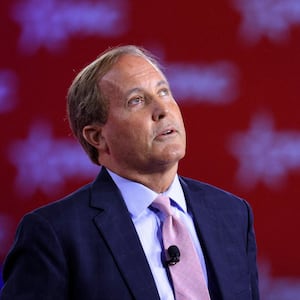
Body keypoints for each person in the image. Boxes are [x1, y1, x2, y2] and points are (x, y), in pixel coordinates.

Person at [0, 45, 259, 299]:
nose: (162, 110)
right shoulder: (55, 235)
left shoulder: (232, 214)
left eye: (164, 92)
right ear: (97, 137)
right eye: (136, 101)